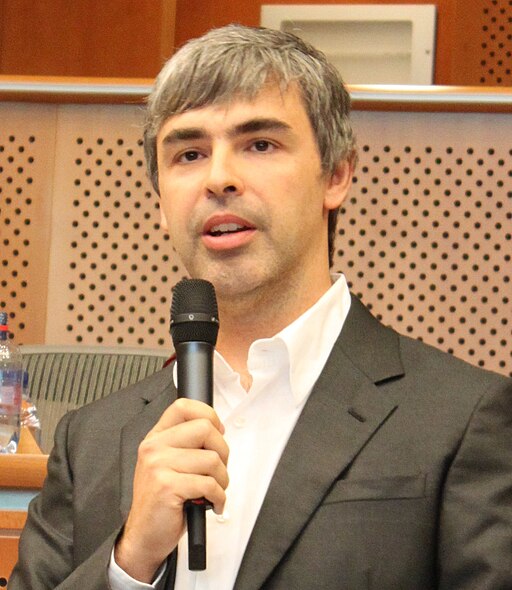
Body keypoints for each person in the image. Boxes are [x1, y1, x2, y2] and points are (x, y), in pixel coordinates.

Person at [9, 24, 512, 590]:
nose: (219, 178)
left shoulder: (465, 418)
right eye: (189, 153)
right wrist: (129, 564)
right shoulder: (90, 440)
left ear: (337, 174)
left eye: (260, 144)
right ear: (159, 201)